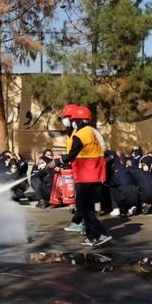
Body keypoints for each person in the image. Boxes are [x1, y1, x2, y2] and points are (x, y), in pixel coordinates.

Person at [48, 104, 111, 247]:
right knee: (87, 206)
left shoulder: (81, 134)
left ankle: (101, 234)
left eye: (73, 119)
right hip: (92, 174)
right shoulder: (88, 131)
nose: (72, 122)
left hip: (86, 176)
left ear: (79, 120)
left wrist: (57, 161)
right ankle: (91, 236)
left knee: (82, 206)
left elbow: (72, 153)